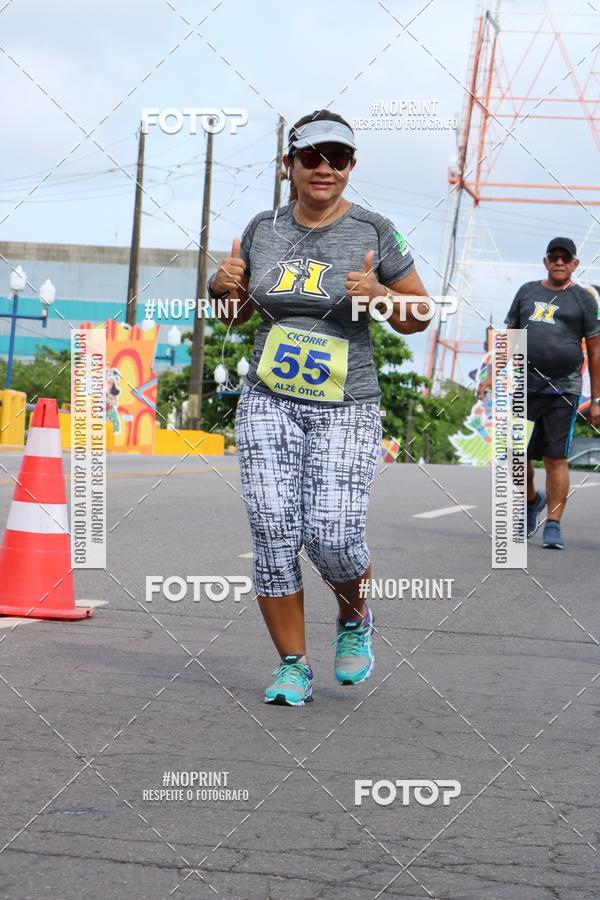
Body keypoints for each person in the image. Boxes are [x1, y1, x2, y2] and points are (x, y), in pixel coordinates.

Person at [208, 110, 431, 705]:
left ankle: (355, 616)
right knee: (274, 531)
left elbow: (420, 315)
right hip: (268, 401)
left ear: (351, 168)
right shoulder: (263, 228)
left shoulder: (374, 230)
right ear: (289, 167)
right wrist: (221, 288)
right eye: (312, 157)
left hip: (346, 404)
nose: (324, 168)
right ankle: (292, 665)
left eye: (338, 158)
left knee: (332, 534)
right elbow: (236, 315)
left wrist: (382, 295)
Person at [486, 238, 600, 549]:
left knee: (555, 458)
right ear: (546, 261)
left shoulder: (583, 300)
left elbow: (595, 349)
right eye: (554, 257)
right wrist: (491, 373)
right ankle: (533, 500)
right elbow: (510, 336)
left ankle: (553, 524)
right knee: (516, 455)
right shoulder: (526, 292)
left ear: (575, 263)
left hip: (564, 389)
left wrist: (597, 400)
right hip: (524, 387)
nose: (560, 262)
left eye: (566, 258)